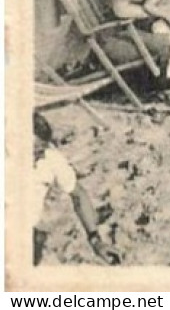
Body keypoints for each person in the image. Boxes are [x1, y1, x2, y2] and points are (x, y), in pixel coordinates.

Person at [32, 114, 117, 266]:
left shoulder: (50, 159)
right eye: (32, 151)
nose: (37, 158)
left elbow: (78, 195)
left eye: (40, 151)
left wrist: (95, 240)